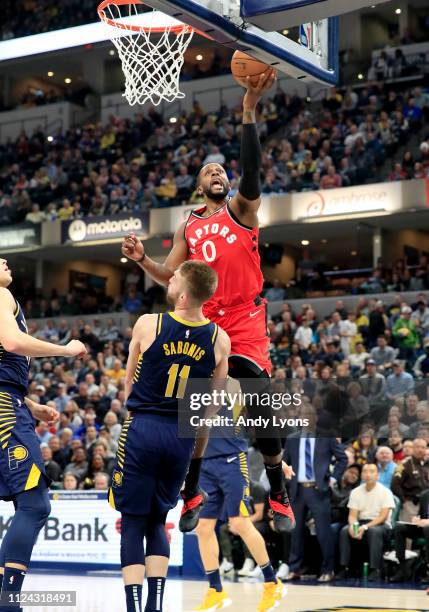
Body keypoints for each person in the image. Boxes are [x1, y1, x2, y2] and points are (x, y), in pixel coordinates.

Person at [121, 70, 295, 533]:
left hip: (246, 315)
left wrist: (248, 112)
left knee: (260, 400)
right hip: (207, 319)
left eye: (221, 170)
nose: (217, 174)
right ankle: (191, 490)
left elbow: (253, 172)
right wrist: (143, 260)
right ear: (200, 186)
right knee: (198, 409)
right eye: (209, 172)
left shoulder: (242, 210)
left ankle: (278, 489)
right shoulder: (189, 227)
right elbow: (170, 278)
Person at [107, 261, 231, 612]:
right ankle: (155, 607)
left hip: (143, 427)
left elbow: (129, 380)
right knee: (158, 521)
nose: (169, 278)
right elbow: (209, 413)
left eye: (174, 277)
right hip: (181, 436)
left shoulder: (149, 324)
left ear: (183, 294)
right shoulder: (221, 339)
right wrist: (194, 459)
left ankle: (134, 608)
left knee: (133, 521)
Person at [0, 257, 86, 611]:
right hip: (6, 409)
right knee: (34, 503)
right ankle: (9, 602)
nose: (5, 261)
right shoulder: (0, 296)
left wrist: (31, 405)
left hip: (11, 399)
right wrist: (64, 349)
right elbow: (12, 343)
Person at [192, 378, 286, 612]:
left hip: (232, 460)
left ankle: (272, 583)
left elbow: (263, 423)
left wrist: (278, 462)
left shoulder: (232, 383)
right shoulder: (190, 386)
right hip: (204, 464)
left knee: (239, 523)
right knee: (203, 528)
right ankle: (215, 591)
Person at [283, 404, 348, 582]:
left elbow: (343, 459)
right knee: (295, 532)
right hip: (297, 491)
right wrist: (286, 480)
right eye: (303, 414)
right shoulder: (292, 438)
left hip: (318, 490)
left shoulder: (326, 437)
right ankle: (294, 568)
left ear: (315, 418)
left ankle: (328, 569)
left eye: (310, 414)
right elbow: (284, 463)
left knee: (323, 532)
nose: (307, 417)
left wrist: (333, 479)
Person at [337, 463, 395, 581]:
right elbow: (352, 516)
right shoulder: (355, 492)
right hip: (361, 522)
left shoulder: (385, 492)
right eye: (365, 472)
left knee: (374, 532)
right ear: (362, 475)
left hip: (380, 525)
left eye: (372, 471)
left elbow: (383, 517)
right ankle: (345, 568)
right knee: (344, 531)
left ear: (377, 475)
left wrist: (365, 527)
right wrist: (354, 525)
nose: (368, 474)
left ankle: (375, 570)